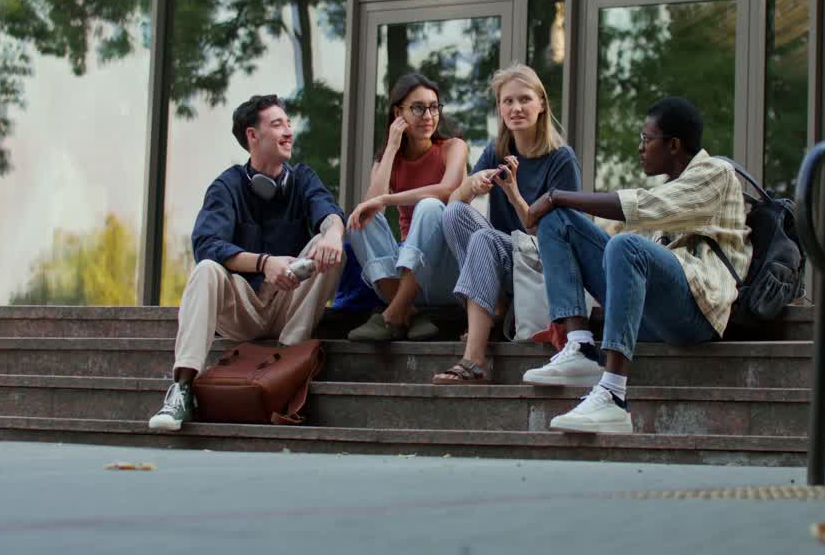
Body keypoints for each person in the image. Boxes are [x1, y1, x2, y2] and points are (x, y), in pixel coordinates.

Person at [520, 96, 751, 433]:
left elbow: (643, 206)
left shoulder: (716, 172)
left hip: (697, 312)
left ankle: (613, 395)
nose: (640, 147)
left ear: (673, 145)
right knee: (559, 221)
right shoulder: (673, 187)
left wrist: (557, 194)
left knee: (625, 244)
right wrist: (556, 204)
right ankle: (582, 346)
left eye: (646, 138)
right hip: (654, 313)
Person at [148, 94, 346, 431]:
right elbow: (207, 245)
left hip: (290, 307)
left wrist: (332, 233)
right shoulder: (227, 185)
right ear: (252, 136)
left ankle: (284, 364)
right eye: (277, 124)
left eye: (288, 123)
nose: (288, 132)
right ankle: (181, 389)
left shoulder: (303, 178)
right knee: (207, 270)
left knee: (328, 245)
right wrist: (263, 263)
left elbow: (329, 213)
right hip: (243, 310)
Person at [435, 64, 581, 383]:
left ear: (541, 104)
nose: (516, 108)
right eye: (507, 101)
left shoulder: (561, 159)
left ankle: (473, 360)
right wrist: (469, 185)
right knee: (453, 212)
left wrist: (513, 193)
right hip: (505, 260)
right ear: (500, 108)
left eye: (525, 99)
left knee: (484, 240)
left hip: (543, 264)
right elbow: (453, 207)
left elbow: (557, 237)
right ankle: (496, 306)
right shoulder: (498, 151)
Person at [345, 73, 468, 341]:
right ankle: (411, 313)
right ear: (398, 112)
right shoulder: (388, 159)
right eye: (418, 107)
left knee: (430, 206)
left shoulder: (453, 147)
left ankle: (391, 316)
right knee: (359, 220)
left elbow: (448, 191)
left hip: (447, 275)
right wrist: (391, 147)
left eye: (434, 107)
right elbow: (370, 207)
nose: (428, 115)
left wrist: (388, 199)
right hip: (404, 279)